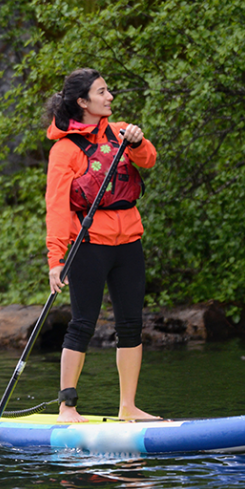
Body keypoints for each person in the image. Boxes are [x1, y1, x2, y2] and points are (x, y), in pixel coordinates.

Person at [44, 68, 159, 422]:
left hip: (128, 242)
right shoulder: (65, 150)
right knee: (82, 323)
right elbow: (57, 206)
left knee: (130, 324)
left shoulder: (122, 132)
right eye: (102, 92)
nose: (109, 97)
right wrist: (56, 259)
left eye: (108, 90)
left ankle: (128, 407)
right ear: (82, 102)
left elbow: (149, 160)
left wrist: (138, 142)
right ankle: (67, 406)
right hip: (89, 244)